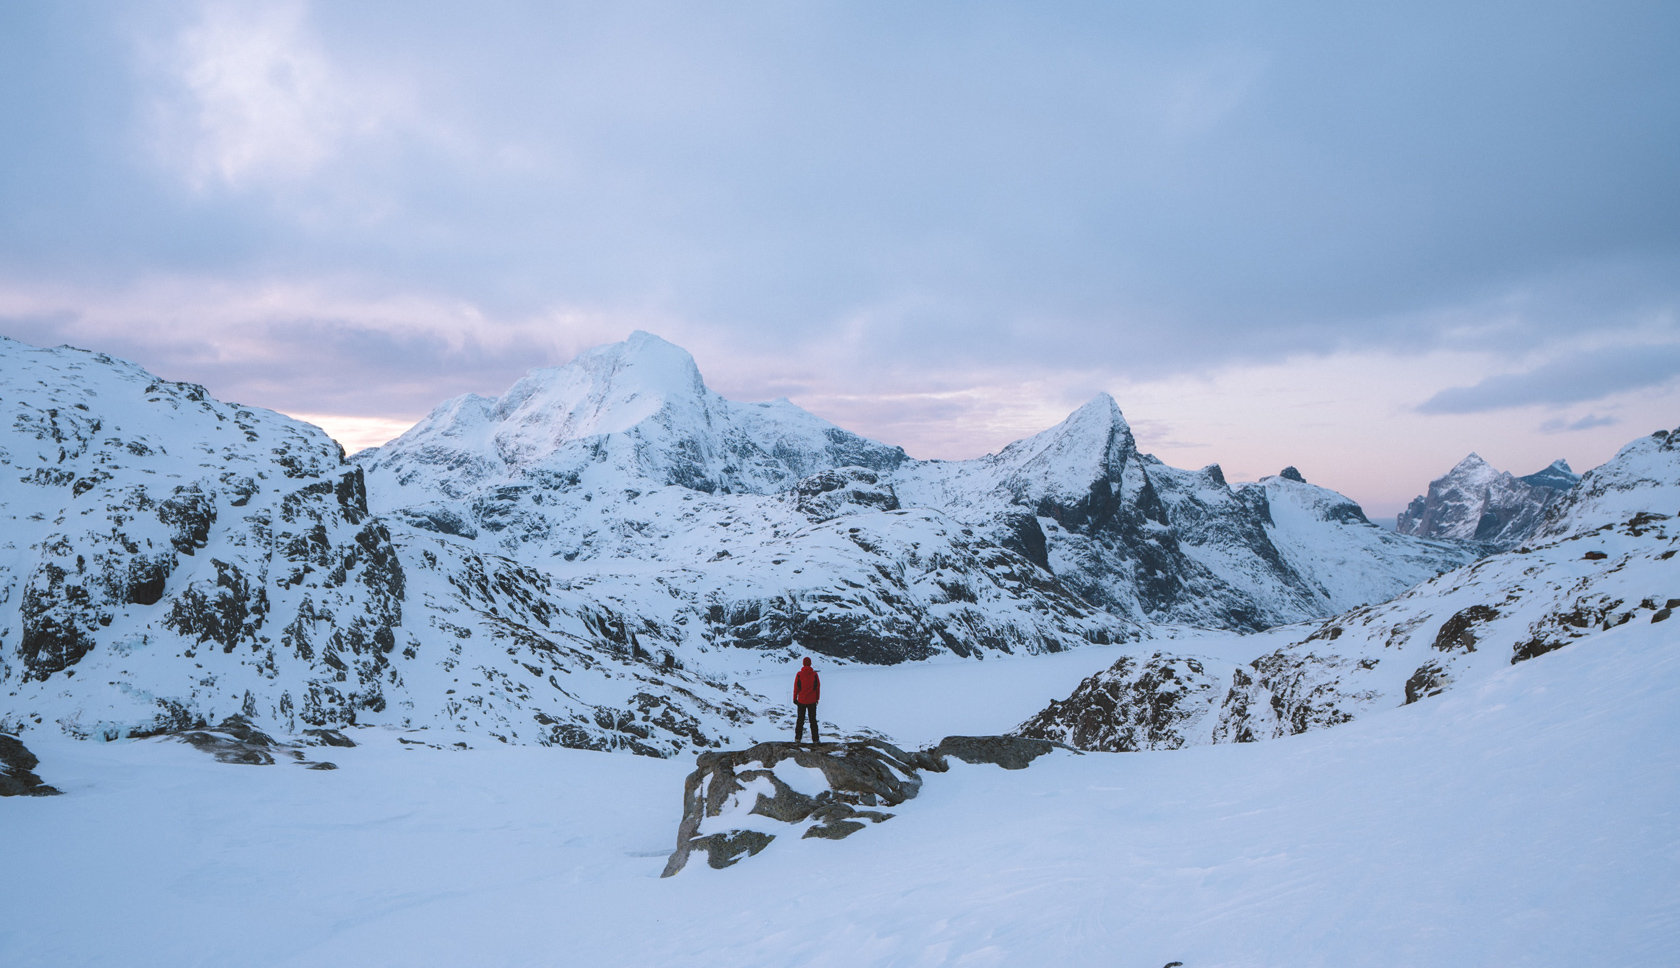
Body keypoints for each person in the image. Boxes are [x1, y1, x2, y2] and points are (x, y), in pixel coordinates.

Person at [793, 656, 821, 744]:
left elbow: (796, 687)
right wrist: (817, 698)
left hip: (801, 701)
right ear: (810, 663)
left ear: (803, 663)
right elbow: (817, 687)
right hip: (812, 701)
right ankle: (815, 739)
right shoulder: (814, 675)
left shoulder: (799, 674)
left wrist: (794, 698)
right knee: (813, 720)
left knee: (800, 720)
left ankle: (798, 738)